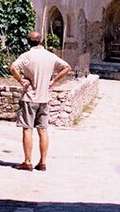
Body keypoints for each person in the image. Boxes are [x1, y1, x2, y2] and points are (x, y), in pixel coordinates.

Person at [8, 30, 72, 171]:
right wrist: (53, 81)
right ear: (41, 41)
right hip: (44, 98)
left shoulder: (27, 56)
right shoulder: (50, 56)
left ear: (29, 42)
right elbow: (67, 67)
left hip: (30, 97)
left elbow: (12, 67)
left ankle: (27, 161)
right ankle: (42, 162)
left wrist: (21, 80)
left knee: (27, 129)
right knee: (43, 130)